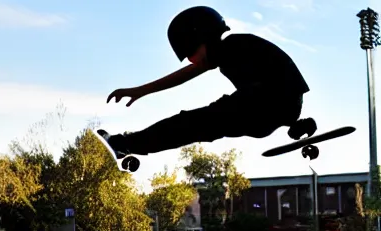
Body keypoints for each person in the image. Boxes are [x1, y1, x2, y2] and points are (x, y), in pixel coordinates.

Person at [98, 6, 315, 162]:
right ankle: (128, 144)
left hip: (264, 104)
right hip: (279, 108)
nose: (193, 61)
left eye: (191, 53)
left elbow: (190, 73)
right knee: (196, 124)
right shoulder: (233, 47)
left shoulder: (232, 46)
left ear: (203, 38)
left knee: (191, 124)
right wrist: (140, 91)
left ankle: (126, 144)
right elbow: (184, 75)